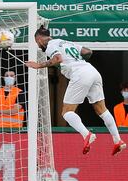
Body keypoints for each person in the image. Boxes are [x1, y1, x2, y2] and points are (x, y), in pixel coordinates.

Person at [25, 25, 126, 155]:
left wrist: (38, 65)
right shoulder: (66, 42)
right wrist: (76, 62)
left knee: (66, 112)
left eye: (37, 43)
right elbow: (88, 51)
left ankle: (87, 134)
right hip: (92, 71)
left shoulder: (50, 46)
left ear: (39, 40)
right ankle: (118, 140)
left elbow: (58, 59)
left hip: (80, 74)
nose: (39, 46)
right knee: (102, 109)